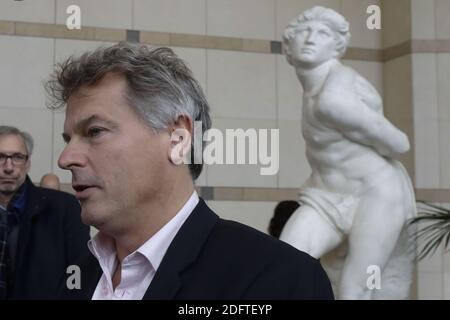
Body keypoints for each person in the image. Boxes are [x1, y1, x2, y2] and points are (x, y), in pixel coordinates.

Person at [46, 42, 333, 300]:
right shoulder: (76, 276)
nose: (66, 158)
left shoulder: (279, 280)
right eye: (68, 139)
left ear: (178, 138)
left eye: (94, 132)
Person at [280, 7, 416, 299]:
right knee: (282, 262)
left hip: (375, 194)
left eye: (323, 33)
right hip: (325, 196)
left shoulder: (334, 97)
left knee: (355, 288)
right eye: (305, 32)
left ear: (336, 47)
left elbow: (399, 143)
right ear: (288, 46)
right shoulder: (314, 88)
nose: (311, 39)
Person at [0, 126, 90, 299]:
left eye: (17, 157)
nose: (8, 167)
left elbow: (80, 275)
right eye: (1, 157)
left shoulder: (64, 209)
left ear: (28, 163)